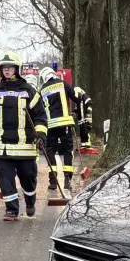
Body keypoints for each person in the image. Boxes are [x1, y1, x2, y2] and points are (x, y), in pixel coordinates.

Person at [0, 52, 48, 222]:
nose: (7, 70)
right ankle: (12, 210)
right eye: (4, 68)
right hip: (1, 147)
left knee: (28, 179)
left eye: (10, 67)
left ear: (17, 69)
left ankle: (29, 201)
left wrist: (41, 134)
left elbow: (40, 117)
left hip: (25, 147)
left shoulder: (29, 91)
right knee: (5, 180)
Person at [37, 67, 88, 197]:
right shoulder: (63, 84)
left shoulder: (42, 90)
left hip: (50, 126)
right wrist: (77, 92)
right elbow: (77, 98)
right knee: (67, 151)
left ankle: (53, 181)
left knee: (50, 152)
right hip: (65, 124)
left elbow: (39, 109)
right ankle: (67, 180)